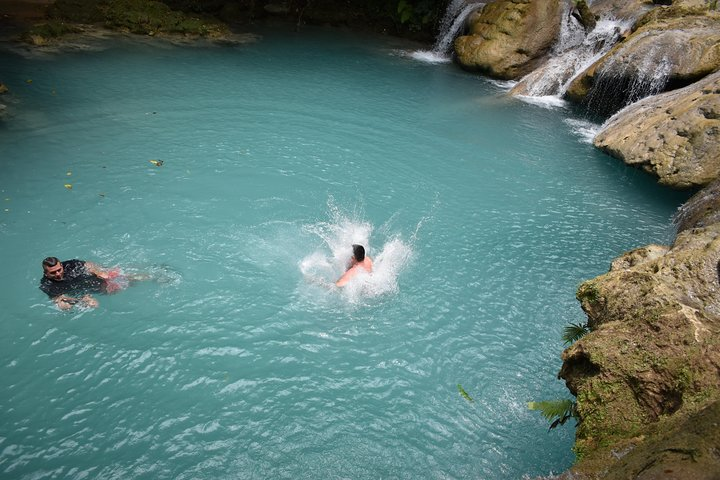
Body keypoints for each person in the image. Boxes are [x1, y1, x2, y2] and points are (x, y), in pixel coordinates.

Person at [39, 257, 133, 310]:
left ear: (61, 265)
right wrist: (81, 300)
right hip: (80, 292)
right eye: (53, 272)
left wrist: (97, 272)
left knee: (129, 279)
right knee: (64, 306)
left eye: (59, 270)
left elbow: (88, 264)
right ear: (46, 273)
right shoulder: (46, 284)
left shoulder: (70, 265)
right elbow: (58, 298)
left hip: (93, 281)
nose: (58, 274)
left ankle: (143, 276)